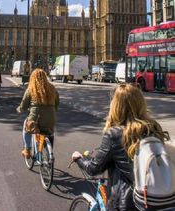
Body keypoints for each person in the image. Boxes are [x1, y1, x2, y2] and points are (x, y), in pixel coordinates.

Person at [71, 83, 169, 211]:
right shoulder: (154, 127)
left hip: (126, 203)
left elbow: (94, 168)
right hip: (157, 199)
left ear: (115, 106)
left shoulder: (114, 134)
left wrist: (79, 158)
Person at [17, 68, 59, 158]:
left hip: (35, 118)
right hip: (50, 118)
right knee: (48, 133)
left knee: (26, 127)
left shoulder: (31, 89)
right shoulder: (52, 88)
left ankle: (27, 150)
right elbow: (57, 102)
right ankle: (49, 155)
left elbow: (24, 104)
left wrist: (20, 109)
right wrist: (53, 110)